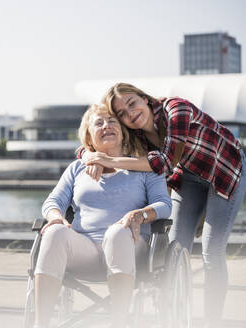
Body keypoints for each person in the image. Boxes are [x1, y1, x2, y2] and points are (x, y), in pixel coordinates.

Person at [82, 82, 246, 327]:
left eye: (132, 103)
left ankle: (213, 322)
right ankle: (175, 315)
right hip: (190, 176)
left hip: (225, 170)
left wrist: (108, 159)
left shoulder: (176, 109)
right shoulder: (135, 132)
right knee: (176, 247)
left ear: (144, 98)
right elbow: (92, 142)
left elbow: (166, 162)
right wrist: (89, 156)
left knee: (212, 250)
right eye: (122, 114)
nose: (130, 113)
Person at [34, 104, 171, 328]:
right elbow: (52, 201)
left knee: (118, 232)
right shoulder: (77, 168)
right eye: (99, 122)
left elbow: (164, 205)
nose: (106, 126)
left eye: (112, 121)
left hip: (131, 247)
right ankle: (40, 324)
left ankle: (119, 323)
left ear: (123, 131)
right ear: (88, 135)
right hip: (85, 249)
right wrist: (56, 217)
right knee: (54, 232)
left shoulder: (143, 166)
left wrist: (139, 215)